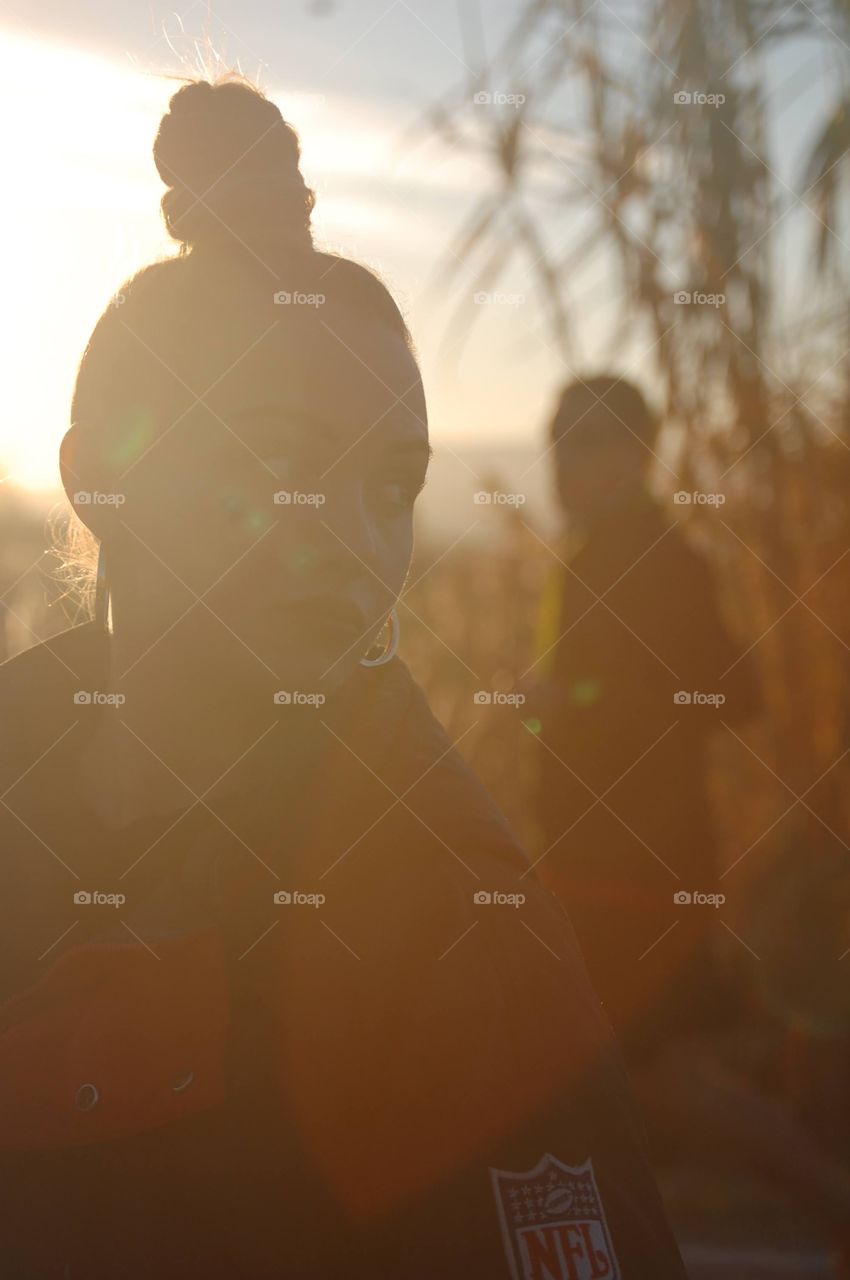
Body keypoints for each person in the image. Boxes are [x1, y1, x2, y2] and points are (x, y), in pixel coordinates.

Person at [0, 76, 687, 1278]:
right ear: (100, 477)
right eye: (280, 459)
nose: (358, 544)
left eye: (393, 486)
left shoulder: (444, 922)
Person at [529, 375, 850, 1262]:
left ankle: (829, 1196)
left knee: (649, 1067)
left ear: (632, 453)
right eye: (557, 441)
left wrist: (575, 702)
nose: (562, 461)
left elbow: (730, 691)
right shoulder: (596, 551)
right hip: (600, 856)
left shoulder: (663, 561)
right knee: (630, 1065)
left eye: (582, 443)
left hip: (639, 861)